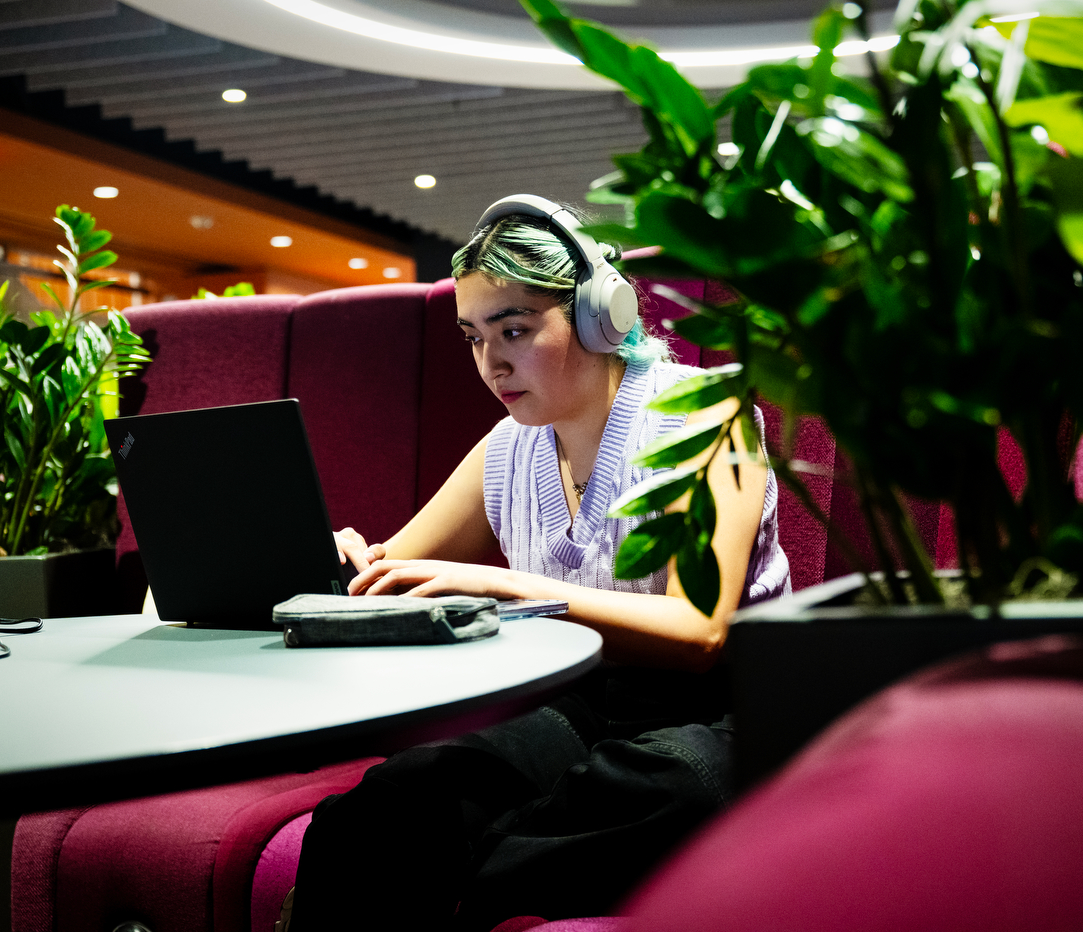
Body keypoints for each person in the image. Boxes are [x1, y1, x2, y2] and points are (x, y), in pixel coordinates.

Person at [285, 196, 790, 931]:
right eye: (473, 338)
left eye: (514, 330)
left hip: (723, 709)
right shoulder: (507, 447)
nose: (491, 364)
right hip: (586, 703)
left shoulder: (708, 416)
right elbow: (389, 572)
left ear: (599, 315)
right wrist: (341, 561)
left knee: (665, 786)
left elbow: (697, 632)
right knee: (395, 800)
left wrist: (505, 586)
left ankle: (454, 882)